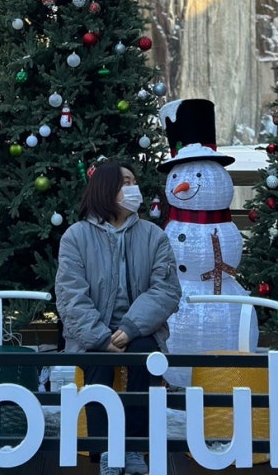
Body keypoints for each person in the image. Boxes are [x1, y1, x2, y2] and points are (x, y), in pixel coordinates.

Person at [55, 160, 181, 475]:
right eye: (126, 182)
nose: (133, 188)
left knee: (145, 358)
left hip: (139, 328)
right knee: (97, 360)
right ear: (105, 188)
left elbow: (165, 290)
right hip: (92, 330)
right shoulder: (76, 236)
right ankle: (108, 451)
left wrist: (129, 328)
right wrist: (99, 336)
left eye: (134, 181)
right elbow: (71, 295)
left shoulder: (154, 236)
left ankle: (136, 447)